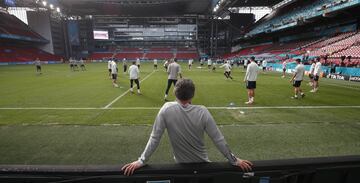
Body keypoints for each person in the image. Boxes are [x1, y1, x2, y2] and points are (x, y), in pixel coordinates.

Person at [121, 79, 253, 176]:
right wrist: (234, 160)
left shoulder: (166, 110)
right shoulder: (203, 111)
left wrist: (141, 160)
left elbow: (154, 138)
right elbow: (218, 139)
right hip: (203, 167)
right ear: (193, 95)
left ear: (174, 92)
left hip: (180, 167)